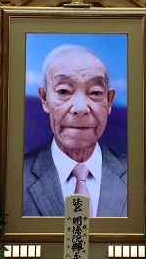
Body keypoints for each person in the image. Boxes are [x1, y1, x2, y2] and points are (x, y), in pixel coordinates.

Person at [23, 44, 127, 217]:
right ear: (44, 98)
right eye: (64, 91)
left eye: (95, 92)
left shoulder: (137, 175)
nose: (80, 108)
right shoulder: (17, 176)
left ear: (109, 101)